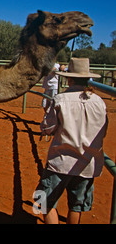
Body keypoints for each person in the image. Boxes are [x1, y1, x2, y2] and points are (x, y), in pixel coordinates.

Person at [34, 57, 108, 224]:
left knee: (43, 202)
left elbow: (47, 127)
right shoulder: (100, 103)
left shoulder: (60, 100)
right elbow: (103, 130)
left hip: (60, 162)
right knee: (76, 206)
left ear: (69, 78)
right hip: (87, 164)